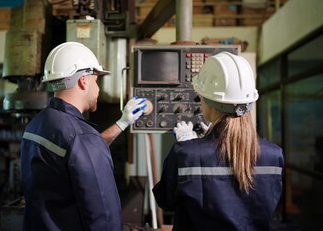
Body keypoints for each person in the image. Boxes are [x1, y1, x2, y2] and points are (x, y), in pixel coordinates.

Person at [20, 42, 146, 231]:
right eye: (96, 81)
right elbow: (103, 216)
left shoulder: (37, 124)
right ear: (84, 81)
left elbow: (77, 153)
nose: (98, 89)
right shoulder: (81, 136)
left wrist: (122, 123)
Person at [153, 52, 284, 231]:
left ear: (209, 102)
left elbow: (165, 201)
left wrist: (189, 148)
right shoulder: (274, 154)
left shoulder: (185, 154)